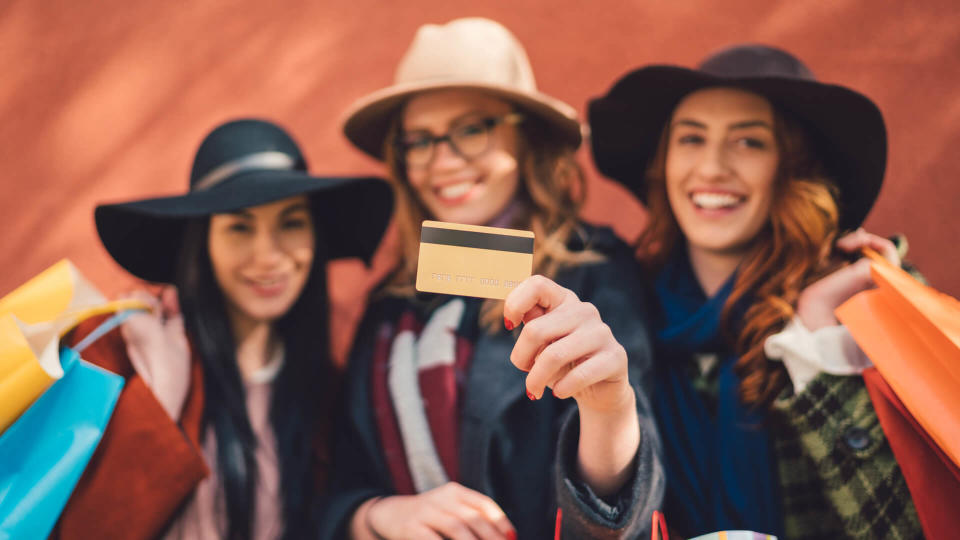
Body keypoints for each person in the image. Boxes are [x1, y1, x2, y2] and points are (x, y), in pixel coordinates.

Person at [322, 17, 663, 539]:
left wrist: (609, 409)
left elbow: (631, 499)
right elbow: (345, 473)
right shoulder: (390, 307)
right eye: (419, 141)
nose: (443, 162)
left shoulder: (594, 274)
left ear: (526, 139)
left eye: (471, 129)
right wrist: (377, 515)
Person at [588, 45, 922, 538]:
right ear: (664, 163)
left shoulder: (873, 304)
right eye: (691, 139)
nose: (712, 168)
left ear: (794, 168)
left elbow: (906, 525)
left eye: (749, 142)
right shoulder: (622, 309)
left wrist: (820, 344)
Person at [52, 119, 393, 540]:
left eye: (291, 222)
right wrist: (155, 402)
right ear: (203, 241)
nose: (268, 256)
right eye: (239, 227)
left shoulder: (324, 385)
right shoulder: (127, 350)